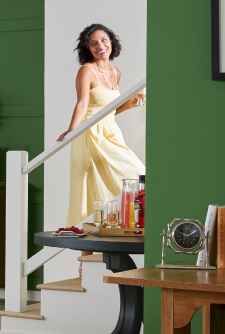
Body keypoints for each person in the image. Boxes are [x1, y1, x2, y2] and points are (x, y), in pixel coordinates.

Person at [58, 23, 145, 234]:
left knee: (134, 178)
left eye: (104, 40)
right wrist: (72, 130)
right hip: (90, 135)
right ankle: (83, 253)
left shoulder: (116, 73)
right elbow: (82, 105)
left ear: (112, 43)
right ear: (87, 48)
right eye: (93, 43)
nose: (100, 46)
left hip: (111, 132)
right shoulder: (86, 71)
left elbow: (109, 111)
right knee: (88, 190)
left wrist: (130, 104)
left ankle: (110, 236)